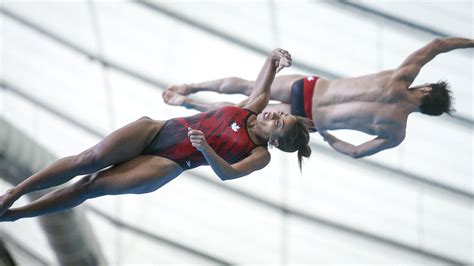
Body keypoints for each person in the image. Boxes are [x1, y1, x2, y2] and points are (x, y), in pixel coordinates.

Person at [0, 49, 313, 222]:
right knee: (88, 159)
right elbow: (265, 80)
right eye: (281, 114)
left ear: (275, 141)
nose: (274, 114)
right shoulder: (252, 108)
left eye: (278, 123)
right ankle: (13, 194)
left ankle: (14, 216)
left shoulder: (260, 155)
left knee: (89, 186)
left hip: (168, 163)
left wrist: (206, 150)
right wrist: (275, 59)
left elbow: (228, 174)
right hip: (159, 130)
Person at [164, 37, 473, 158]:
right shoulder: (396, 132)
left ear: (426, 90)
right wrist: (326, 135)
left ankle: (191, 87)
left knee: (250, 89)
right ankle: (191, 104)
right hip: (308, 121)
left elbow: (438, 44)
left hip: (310, 89)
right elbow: (354, 151)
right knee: (242, 112)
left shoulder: (400, 79)